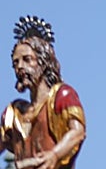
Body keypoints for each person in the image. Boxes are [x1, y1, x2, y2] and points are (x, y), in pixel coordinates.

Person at [1, 17, 86, 169]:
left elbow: (77, 132)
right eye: (16, 62)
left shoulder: (62, 95)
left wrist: (54, 154)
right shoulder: (13, 114)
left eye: (27, 59)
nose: (20, 67)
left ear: (43, 62)